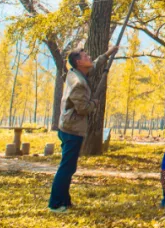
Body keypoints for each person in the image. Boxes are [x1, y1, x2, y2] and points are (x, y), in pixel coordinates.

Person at [47, 43, 118, 213]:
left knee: (69, 166)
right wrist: (94, 102)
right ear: (79, 62)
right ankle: (56, 203)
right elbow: (83, 109)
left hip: (67, 126)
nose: (89, 58)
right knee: (67, 167)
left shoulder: (75, 73)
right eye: (86, 57)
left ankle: (65, 199)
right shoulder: (78, 83)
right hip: (72, 129)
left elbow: (94, 67)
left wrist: (107, 54)